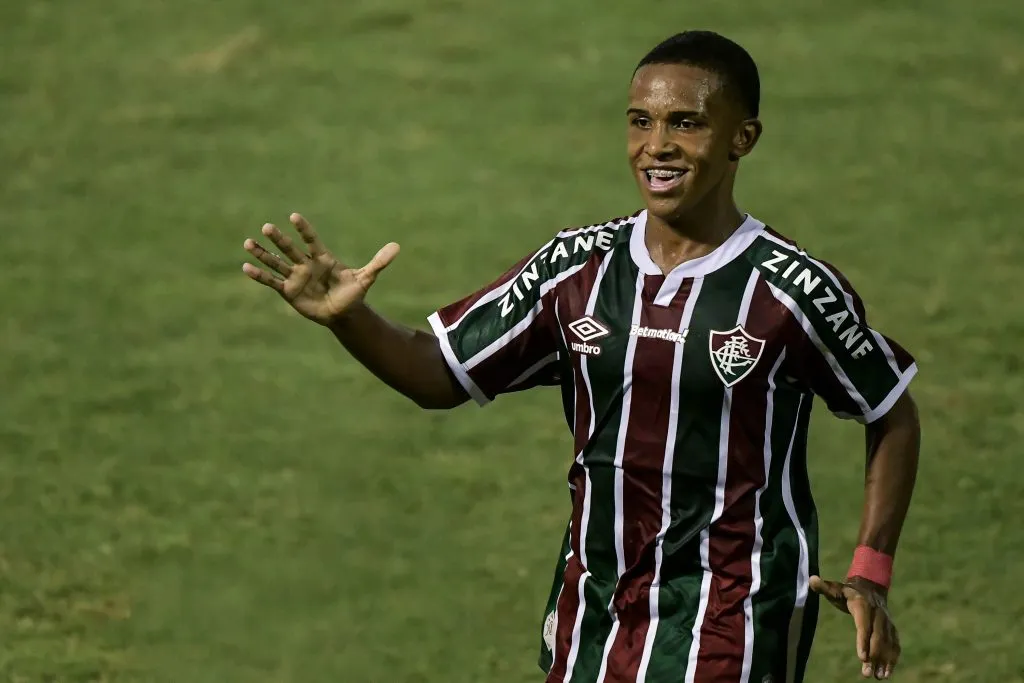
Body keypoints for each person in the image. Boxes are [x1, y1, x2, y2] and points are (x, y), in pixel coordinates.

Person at [241, 30, 920, 683]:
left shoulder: (792, 289)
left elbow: (889, 411)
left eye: (686, 124)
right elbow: (441, 375)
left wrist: (870, 571)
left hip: (732, 614)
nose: (657, 146)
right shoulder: (577, 269)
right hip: (596, 610)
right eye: (639, 122)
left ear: (743, 137)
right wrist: (347, 319)